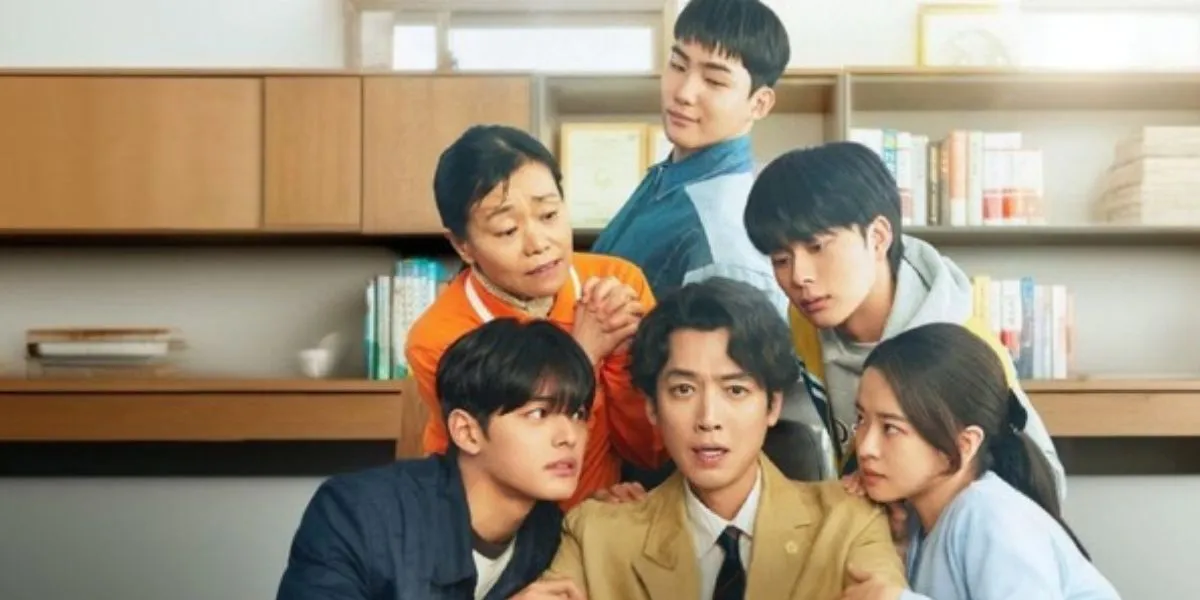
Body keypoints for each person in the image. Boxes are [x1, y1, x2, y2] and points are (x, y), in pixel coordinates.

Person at [742, 141, 1066, 501]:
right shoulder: (806, 320)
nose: (799, 276)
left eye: (817, 247)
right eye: (781, 259)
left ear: (878, 238)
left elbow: (1045, 486)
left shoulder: (955, 346)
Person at [545, 278, 906, 599]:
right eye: (684, 390)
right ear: (652, 407)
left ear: (772, 405)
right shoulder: (597, 534)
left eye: (735, 390)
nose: (708, 419)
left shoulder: (848, 523)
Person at [405, 124, 665, 509]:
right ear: (462, 245)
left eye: (549, 214)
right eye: (507, 230)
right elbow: (508, 470)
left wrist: (626, 355)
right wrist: (583, 354)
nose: (539, 243)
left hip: (600, 514)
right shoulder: (440, 338)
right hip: (488, 523)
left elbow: (650, 450)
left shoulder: (618, 283)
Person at [277, 318, 593, 600]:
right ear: (467, 432)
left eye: (578, 414)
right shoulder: (359, 512)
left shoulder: (557, 537)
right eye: (538, 413)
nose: (569, 436)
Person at [841, 323, 1120, 600]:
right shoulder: (916, 522)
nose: (865, 448)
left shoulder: (990, 515)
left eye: (891, 428)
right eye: (862, 419)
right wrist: (898, 548)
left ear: (965, 444)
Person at [590, 0, 791, 318]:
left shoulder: (724, 233)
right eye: (678, 65)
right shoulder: (673, 175)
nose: (683, 92)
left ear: (759, 104)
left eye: (714, 81)